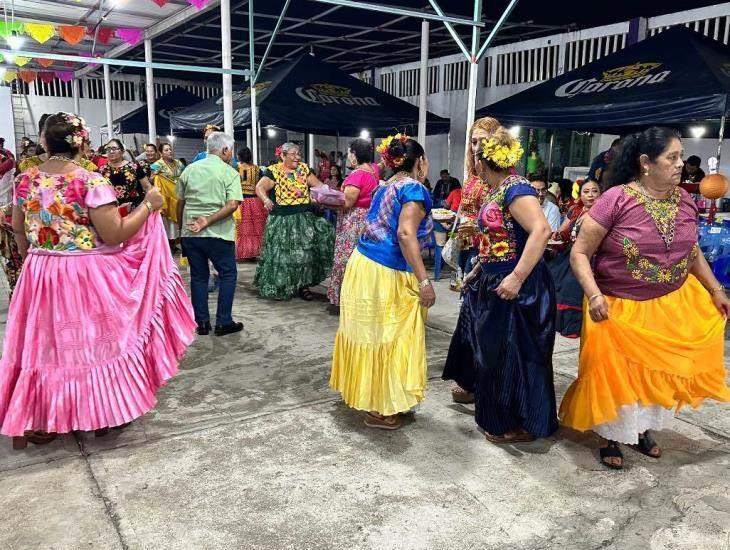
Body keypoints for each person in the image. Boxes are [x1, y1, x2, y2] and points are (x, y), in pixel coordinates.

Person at [0, 112, 195, 450]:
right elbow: (115, 234)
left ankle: (42, 416)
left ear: (45, 142)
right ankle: (102, 412)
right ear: (84, 143)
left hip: (39, 271)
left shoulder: (25, 180)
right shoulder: (90, 181)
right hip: (82, 274)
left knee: (45, 345)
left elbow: (19, 228)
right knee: (95, 344)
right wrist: (149, 206)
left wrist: (35, 259)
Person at [560, 127, 730, 469]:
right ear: (645, 163)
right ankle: (612, 435)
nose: (681, 164)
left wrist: (715, 289)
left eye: (680, 156)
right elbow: (579, 253)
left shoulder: (685, 201)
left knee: (655, 376)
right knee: (615, 378)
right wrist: (593, 295)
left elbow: (692, 250)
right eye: (672, 157)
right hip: (616, 307)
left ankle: (640, 431)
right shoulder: (616, 199)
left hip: (669, 305)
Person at [443, 124, 557, 443]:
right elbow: (497, 239)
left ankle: (519, 422)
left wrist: (517, 276)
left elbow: (542, 231)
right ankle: (499, 416)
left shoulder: (515, 188)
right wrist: (477, 270)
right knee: (493, 353)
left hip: (519, 285)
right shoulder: (496, 190)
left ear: (481, 161)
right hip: (495, 277)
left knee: (516, 354)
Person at [330, 134, 435, 430]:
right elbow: (405, 235)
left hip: (364, 264)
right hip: (387, 271)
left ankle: (376, 398)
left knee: (371, 332)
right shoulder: (413, 188)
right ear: (421, 161)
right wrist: (425, 281)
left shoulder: (384, 185)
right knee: (393, 336)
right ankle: (383, 408)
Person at [440, 117, 501, 404]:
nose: (477, 147)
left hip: (493, 255)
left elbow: (501, 223)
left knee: (485, 321)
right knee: (467, 317)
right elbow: (468, 211)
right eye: (473, 141)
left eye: (483, 141)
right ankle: (470, 379)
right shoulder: (473, 176)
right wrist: (457, 221)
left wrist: (474, 226)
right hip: (470, 250)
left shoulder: (502, 177)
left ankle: (484, 383)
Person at [177, 132, 243, 337]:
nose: (231, 154)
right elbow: (233, 204)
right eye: (230, 150)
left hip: (190, 233)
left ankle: (202, 323)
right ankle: (223, 322)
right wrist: (207, 221)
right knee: (228, 274)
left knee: (198, 277)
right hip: (219, 234)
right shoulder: (229, 172)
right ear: (224, 150)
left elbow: (180, 202)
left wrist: (182, 230)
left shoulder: (189, 169)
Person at [254, 142, 335, 301]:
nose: (297, 157)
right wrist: (265, 199)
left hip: (303, 218)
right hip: (282, 220)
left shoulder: (304, 169)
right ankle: (282, 285)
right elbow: (259, 187)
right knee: (283, 256)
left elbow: (319, 186)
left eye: (298, 154)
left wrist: (331, 196)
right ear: (283, 156)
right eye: (293, 154)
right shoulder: (273, 171)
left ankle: (302, 286)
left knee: (303, 255)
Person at [327, 138, 379, 308]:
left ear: (355, 155)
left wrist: (323, 202)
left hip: (353, 221)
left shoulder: (356, 175)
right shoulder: (373, 172)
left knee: (346, 259)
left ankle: (346, 299)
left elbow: (347, 203)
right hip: (367, 220)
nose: (348, 156)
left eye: (349, 152)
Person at [547, 179, 601, 338]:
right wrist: (556, 235)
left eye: (594, 191)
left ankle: (574, 326)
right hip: (571, 252)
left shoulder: (604, 212)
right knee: (552, 275)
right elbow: (563, 232)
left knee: (572, 283)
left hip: (592, 255)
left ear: (601, 193)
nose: (590, 195)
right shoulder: (575, 210)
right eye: (586, 192)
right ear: (580, 194)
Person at [100, 138, 152, 214]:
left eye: (114, 149)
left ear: (122, 151)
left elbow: (147, 187)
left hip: (136, 210)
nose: (111, 151)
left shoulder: (134, 167)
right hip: (112, 212)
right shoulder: (102, 170)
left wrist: (148, 205)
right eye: (108, 149)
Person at [150, 143, 185, 252]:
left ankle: (177, 241)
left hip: (178, 195)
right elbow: (151, 180)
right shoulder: (157, 165)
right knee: (167, 221)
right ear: (161, 153)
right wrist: (155, 175)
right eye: (166, 150)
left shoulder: (178, 163)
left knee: (178, 218)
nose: (170, 151)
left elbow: (184, 175)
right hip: (166, 196)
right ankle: (169, 243)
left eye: (170, 149)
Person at [235, 147, 267, 260]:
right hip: (255, 201)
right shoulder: (257, 168)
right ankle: (254, 252)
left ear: (239, 156)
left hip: (241, 202)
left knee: (242, 229)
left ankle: (243, 252)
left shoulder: (236, 167)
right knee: (256, 229)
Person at [0, 141, 18, 300]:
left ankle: (16, 289)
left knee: (11, 255)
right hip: (7, 210)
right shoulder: (9, 158)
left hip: (8, 212)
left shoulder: (8, 159)